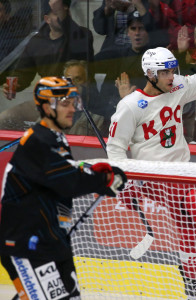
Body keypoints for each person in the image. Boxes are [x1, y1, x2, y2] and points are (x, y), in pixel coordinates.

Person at [107, 20, 196, 299]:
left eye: (173, 70)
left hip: (180, 172)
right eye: (165, 72)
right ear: (150, 74)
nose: (172, 76)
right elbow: (115, 149)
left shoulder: (177, 87)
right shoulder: (129, 107)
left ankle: (192, 282)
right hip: (151, 177)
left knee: (187, 223)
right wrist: (121, 183)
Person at [0, 76, 127, 300]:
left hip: (51, 239)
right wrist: (103, 179)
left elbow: (61, 176)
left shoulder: (56, 138)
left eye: (73, 103)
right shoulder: (38, 141)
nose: (72, 109)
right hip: (27, 244)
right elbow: (68, 181)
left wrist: (96, 176)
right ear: (48, 106)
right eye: (65, 103)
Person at [2, 0, 94, 99]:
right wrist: (16, 85)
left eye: (65, 13)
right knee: (8, 115)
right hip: (50, 97)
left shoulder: (83, 34)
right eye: (56, 13)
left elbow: (75, 37)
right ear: (47, 19)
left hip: (78, 96)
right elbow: (24, 71)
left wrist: (60, 11)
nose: (61, 16)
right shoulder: (37, 41)